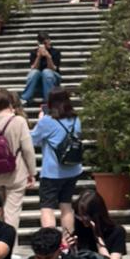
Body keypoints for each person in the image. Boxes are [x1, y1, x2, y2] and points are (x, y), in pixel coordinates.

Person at [0, 88, 36, 233]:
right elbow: (27, 149)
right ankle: (9, 246)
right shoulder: (19, 121)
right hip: (15, 171)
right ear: (11, 102)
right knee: (12, 212)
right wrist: (32, 172)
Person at [31, 87, 83, 236]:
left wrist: (40, 120)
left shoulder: (47, 121)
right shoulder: (75, 119)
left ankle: (51, 241)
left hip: (52, 172)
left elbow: (33, 139)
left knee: (47, 207)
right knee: (66, 205)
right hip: (72, 169)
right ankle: (68, 241)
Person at [22, 33, 62, 106]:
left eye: (45, 42)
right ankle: (25, 98)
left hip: (53, 78)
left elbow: (54, 69)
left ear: (49, 41)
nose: (44, 45)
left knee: (46, 72)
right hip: (38, 79)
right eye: (42, 43)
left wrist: (48, 56)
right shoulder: (34, 52)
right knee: (34, 72)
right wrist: (38, 57)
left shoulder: (55, 52)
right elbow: (33, 68)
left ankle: (49, 99)